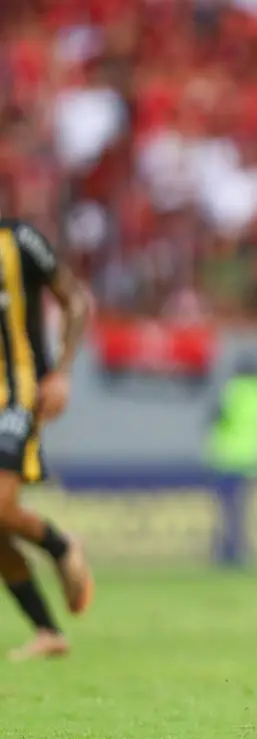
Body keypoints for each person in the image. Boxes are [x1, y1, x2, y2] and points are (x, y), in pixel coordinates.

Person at [0, 216, 94, 661]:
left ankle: (61, 545)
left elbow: (75, 301)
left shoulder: (21, 240)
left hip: (17, 395)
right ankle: (47, 630)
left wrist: (61, 372)